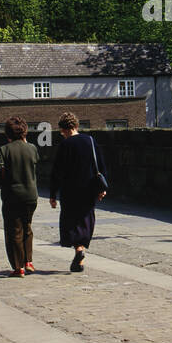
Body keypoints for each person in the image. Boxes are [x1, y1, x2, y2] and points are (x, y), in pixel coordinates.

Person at [49, 111, 107, 272]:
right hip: (89, 189)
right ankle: (80, 254)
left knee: (71, 222)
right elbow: (101, 165)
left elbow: (57, 172)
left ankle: (79, 250)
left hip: (70, 191)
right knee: (86, 219)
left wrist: (53, 194)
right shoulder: (90, 140)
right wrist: (102, 188)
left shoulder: (65, 145)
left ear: (64, 129)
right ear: (76, 125)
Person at [0, 117, 40, 276]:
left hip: (12, 195)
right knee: (27, 227)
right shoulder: (32, 148)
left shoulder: (4, 150)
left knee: (14, 230)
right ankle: (28, 261)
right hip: (31, 195)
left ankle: (19, 267)